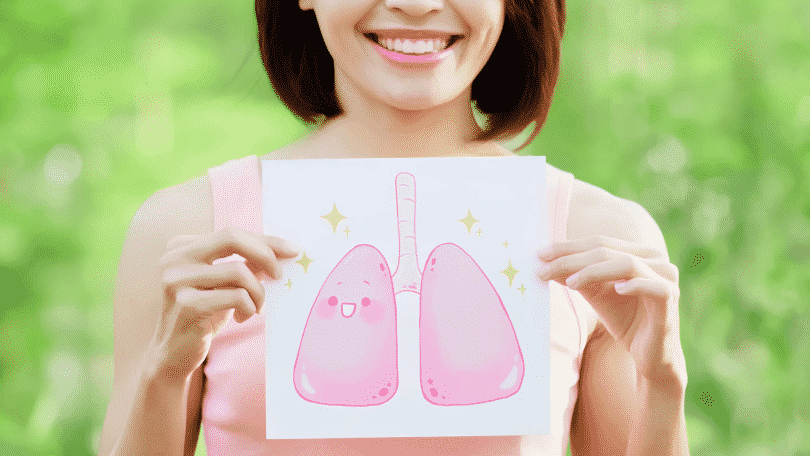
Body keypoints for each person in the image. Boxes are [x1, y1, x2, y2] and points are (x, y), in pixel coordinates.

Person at [98, 0, 691, 454]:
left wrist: (662, 385)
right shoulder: (188, 232)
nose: (414, 3)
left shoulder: (600, 239)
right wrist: (165, 372)